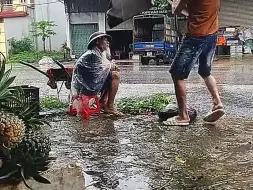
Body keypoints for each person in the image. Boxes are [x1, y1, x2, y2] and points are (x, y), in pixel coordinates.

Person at [163, 0, 225, 126]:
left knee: (177, 74)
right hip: (212, 34)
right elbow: (195, 10)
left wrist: (174, 2)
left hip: (195, 36)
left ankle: (183, 116)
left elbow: (176, 10)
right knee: (205, 71)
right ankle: (217, 103)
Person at [71, 31, 123, 116]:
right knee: (115, 76)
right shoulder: (93, 54)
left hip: (87, 85)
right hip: (88, 87)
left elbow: (101, 71)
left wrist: (110, 67)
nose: (107, 42)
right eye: (105, 40)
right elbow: (101, 71)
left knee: (111, 76)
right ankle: (110, 106)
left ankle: (103, 102)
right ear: (97, 41)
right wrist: (111, 67)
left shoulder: (95, 53)